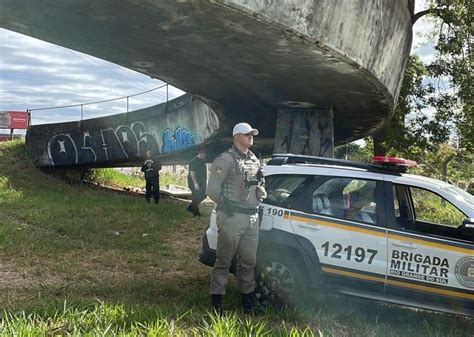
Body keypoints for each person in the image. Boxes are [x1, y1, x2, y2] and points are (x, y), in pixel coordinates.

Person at [207, 122, 267, 315]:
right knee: (224, 261)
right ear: (236, 136)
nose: (251, 136)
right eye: (247, 134)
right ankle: (217, 304)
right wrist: (226, 207)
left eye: (252, 133)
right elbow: (212, 189)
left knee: (248, 262)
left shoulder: (254, 159)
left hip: (251, 217)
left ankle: (247, 303)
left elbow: (260, 181)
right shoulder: (225, 159)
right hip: (233, 217)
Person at [187, 149, 207, 216]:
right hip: (194, 182)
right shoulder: (194, 162)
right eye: (203, 156)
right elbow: (192, 173)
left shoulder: (201, 161)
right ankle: (196, 213)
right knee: (196, 196)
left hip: (201, 182)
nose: (204, 158)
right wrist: (195, 183)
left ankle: (190, 207)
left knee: (203, 195)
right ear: (200, 153)